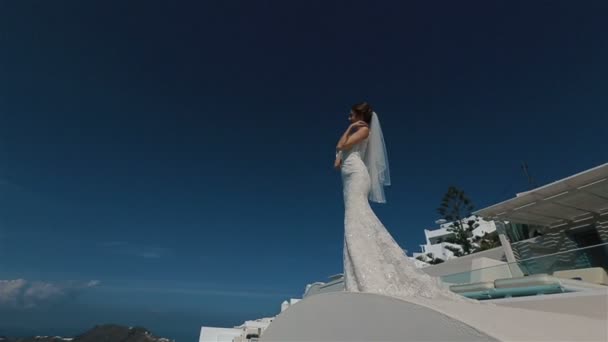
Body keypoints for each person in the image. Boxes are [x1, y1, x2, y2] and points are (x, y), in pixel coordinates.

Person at [335, 102, 464, 301]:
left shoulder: (364, 130)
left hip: (357, 176)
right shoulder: (357, 132)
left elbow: (341, 145)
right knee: (353, 221)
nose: (348, 116)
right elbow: (338, 159)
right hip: (348, 178)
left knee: (356, 219)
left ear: (360, 115)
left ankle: (365, 276)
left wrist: (350, 129)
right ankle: (355, 276)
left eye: (351, 114)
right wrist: (340, 152)